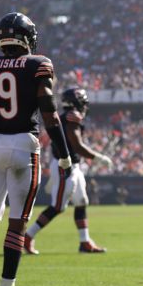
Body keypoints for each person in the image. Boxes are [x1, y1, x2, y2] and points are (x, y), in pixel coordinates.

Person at [0, 12, 73, 286]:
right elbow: (49, 112)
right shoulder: (38, 64)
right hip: (24, 144)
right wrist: (64, 156)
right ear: (27, 37)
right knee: (17, 222)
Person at [24, 88, 112, 254]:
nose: (85, 105)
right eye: (83, 101)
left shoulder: (66, 116)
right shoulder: (72, 116)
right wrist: (99, 157)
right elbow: (77, 145)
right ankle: (28, 236)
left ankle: (84, 241)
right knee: (57, 206)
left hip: (73, 165)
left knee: (81, 202)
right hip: (66, 166)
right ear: (76, 102)